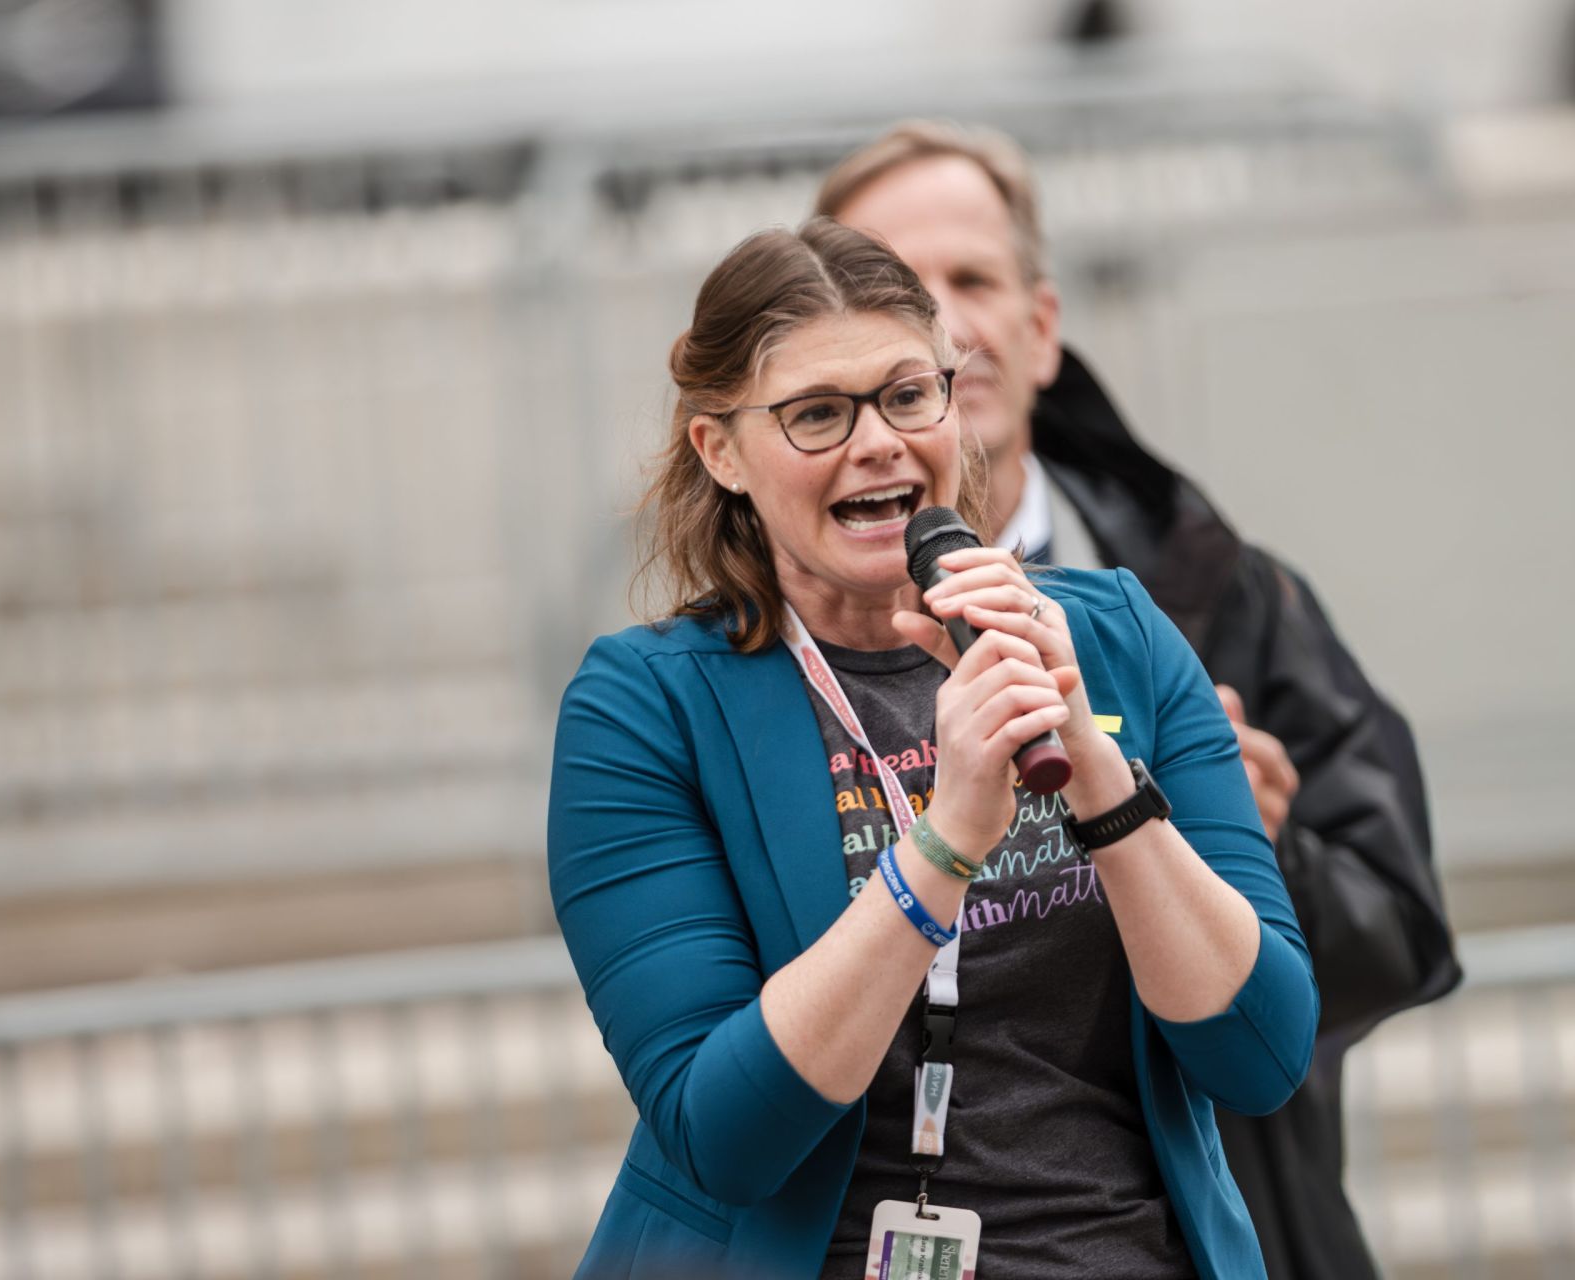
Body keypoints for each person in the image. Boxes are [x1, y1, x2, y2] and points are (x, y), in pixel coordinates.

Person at [549, 218, 1318, 1280]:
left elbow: (1261, 1052)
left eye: (909, 395)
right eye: (817, 413)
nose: (877, 442)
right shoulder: (646, 706)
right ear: (720, 451)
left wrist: (1094, 764)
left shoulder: (1116, 636)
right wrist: (944, 842)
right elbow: (723, 1134)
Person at [816, 121, 1462, 1280]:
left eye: (971, 279)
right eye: (895, 292)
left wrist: (1251, 843)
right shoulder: (759, 656)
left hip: (1221, 1215)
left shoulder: (1217, 591)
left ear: (1041, 326)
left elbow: (1401, 931)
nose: (943, 326)